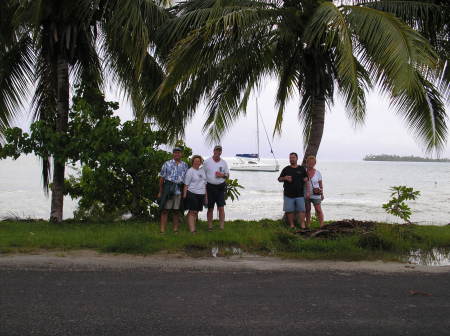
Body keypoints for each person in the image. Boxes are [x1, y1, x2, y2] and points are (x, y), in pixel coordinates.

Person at [158, 147, 188, 234]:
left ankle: (175, 229)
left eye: (179, 153)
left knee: (176, 210)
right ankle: (162, 230)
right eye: (175, 153)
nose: (177, 154)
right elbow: (161, 178)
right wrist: (160, 191)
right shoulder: (166, 164)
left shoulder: (185, 165)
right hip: (168, 188)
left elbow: (186, 179)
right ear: (173, 154)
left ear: (181, 154)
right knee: (165, 210)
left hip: (179, 189)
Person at [278, 152, 310, 229]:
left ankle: (302, 225)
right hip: (288, 194)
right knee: (289, 211)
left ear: (297, 158)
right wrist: (285, 178)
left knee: (302, 210)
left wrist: (306, 179)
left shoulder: (301, 169)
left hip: (300, 194)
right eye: (290, 158)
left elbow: (307, 178)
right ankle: (292, 225)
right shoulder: (286, 169)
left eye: (293, 157)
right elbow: (279, 179)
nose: (291, 159)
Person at [203, 145, 229, 231]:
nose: (218, 152)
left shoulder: (224, 163)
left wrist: (222, 175)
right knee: (210, 208)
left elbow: (227, 175)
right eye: (216, 150)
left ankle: (221, 227)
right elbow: (203, 175)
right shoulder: (207, 162)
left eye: (219, 151)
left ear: (221, 152)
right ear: (213, 151)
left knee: (221, 208)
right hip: (210, 187)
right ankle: (210, 226)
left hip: (220, 187)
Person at [183, 155, 207, 233]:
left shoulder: (202, 171)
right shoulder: (190, 171)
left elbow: (204, 184)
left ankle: (189, 225)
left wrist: (206, 197)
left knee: (195, 212)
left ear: (201, 162)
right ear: (192, 162)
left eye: (198, 161)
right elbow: (186, 185)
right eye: (195, 161)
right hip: (192, 193)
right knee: (193, 211)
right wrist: (184, 195)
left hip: (201, 194)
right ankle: (193, 230)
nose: (197, 162)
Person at [305, 155, 325, 228]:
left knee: (318, 210)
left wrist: (322, 194)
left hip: (316, 194)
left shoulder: (318, 173)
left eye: (312, 163)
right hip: (306, 194)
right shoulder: (304, 172)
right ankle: (307, 225)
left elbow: (320, 185)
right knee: (307, 210)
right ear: (307, 163)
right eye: (309, 163)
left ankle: (322, 225)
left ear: (315, 163)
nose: (311, 164)